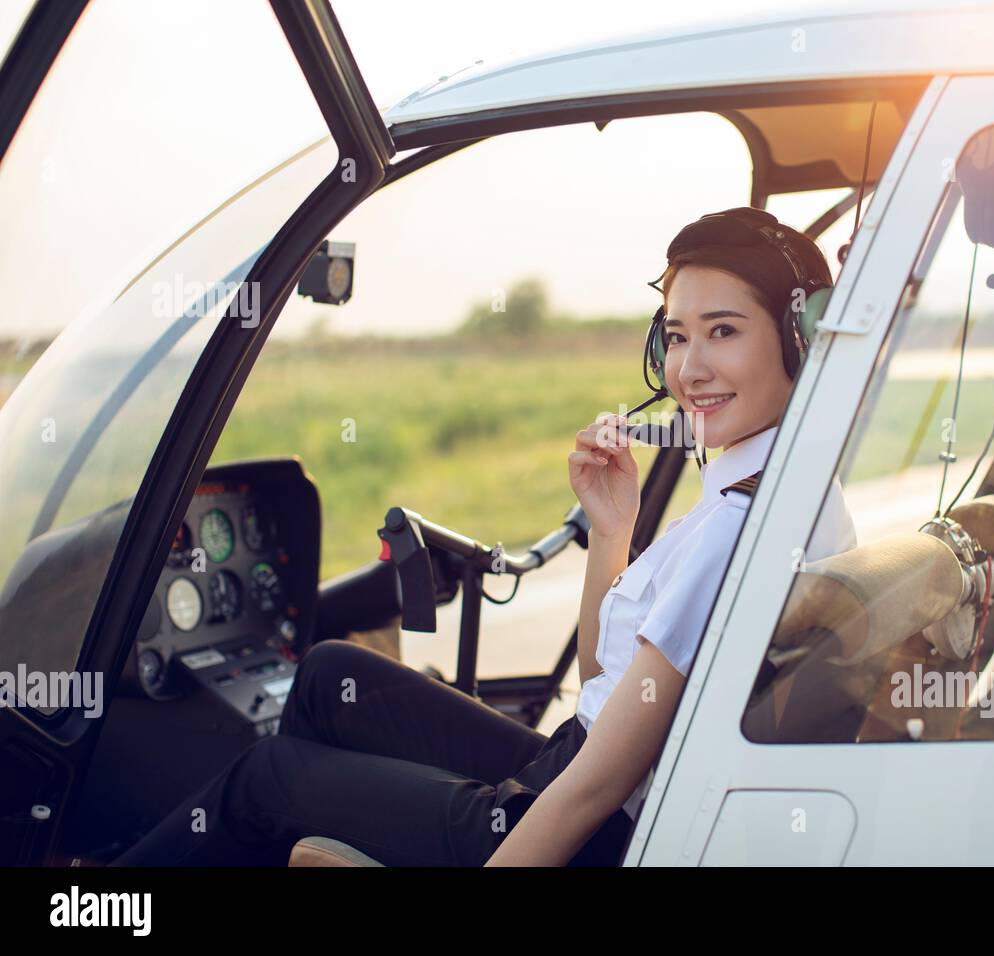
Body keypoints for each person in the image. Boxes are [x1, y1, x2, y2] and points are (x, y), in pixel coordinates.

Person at [112, 206, 855, 867]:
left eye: (723, 332)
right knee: (330, 675)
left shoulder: (736, 525)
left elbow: (595, 790)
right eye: (678, 337)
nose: (690, 370)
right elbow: (605, 673)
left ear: (801, 336)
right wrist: (611, 528)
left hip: (572, 824)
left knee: (267, 778)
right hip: (579, 765)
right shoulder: (784, 487)